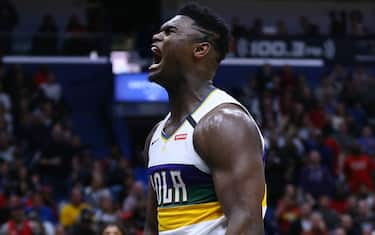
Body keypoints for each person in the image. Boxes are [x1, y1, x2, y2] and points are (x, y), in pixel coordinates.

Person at [143, 3, 266, 235]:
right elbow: (152, 227)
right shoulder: (156, 135)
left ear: (200, 50)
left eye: (170, 32)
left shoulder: (225, 123)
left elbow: (248, 223)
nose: (156, 36)